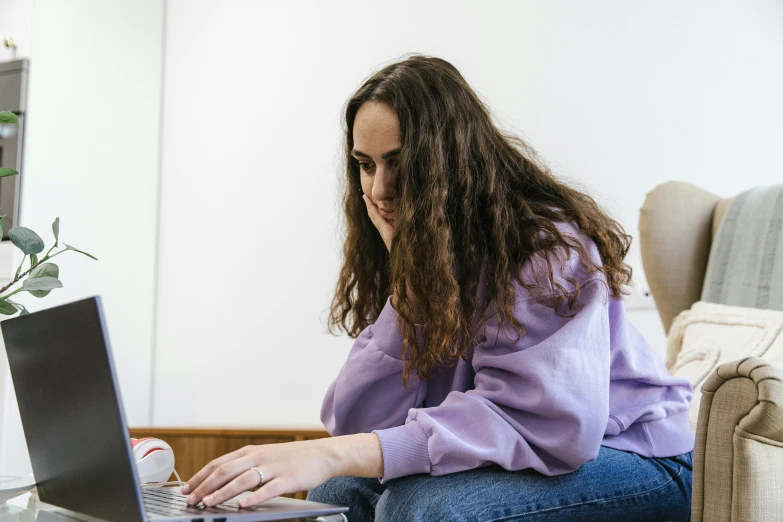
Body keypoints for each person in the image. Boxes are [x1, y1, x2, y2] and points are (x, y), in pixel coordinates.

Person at [180, 55, 694, 521]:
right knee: (340, 491)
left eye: (400, 165)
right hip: (539, 447)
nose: (378, 190)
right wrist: (406, 283)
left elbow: (550, 427)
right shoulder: (419, 243)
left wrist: (333, 453)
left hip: (639, 457)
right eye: (365, 165)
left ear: (451, 161)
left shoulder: (547, 247)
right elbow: (360, 424)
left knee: (421, 507)